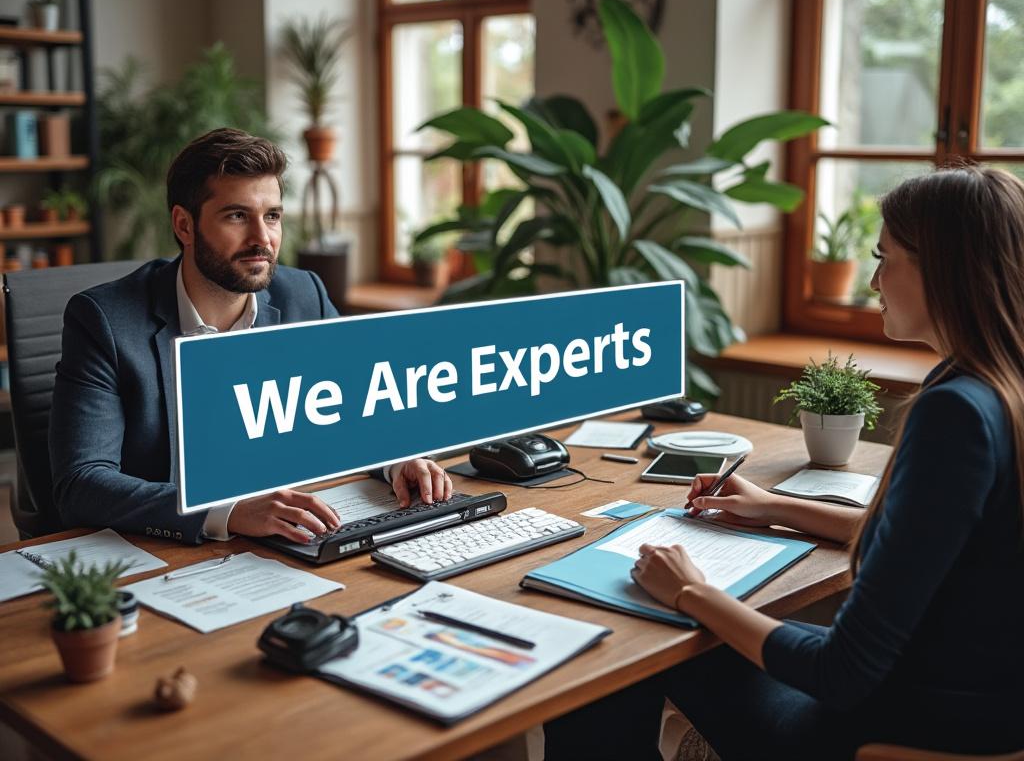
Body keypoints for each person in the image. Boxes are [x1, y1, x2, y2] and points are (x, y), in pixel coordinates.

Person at [545, 167, 1024, 759]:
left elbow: (840, 672)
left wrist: (691, 592)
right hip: (975, 707)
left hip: (890, 726)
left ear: (945, 269)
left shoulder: (955, 412)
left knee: (623, 648)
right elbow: (928, 544)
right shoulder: (1001, 385)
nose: (873, 280)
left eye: (885, 258)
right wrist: (773, 506)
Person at [49, 128, 451, 545]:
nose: (263, 239)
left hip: (289, 535)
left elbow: (361, 411)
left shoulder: (304, 296)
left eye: (272, 216)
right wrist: (229, 512)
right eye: (237, 216)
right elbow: (81, 484)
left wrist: (398, 461)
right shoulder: (104, 321)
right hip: (171, 548)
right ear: (184, 225)